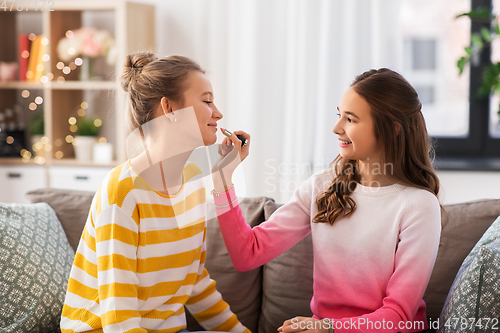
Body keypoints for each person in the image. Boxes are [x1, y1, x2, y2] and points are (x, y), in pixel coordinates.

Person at [211, 68, 442, 333]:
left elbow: (398, 315)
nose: (336, 128)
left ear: (392, 128)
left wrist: (328, 328)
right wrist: (222, 179)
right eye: (339, 115)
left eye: (351, 119)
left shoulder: (418, 206)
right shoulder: (322, 186)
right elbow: (246, 254)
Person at [60, 53, 251, 333]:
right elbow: (119, 318)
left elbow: (194, 282)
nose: (218, 113)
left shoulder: (193, 187)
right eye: (207, 101)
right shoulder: (122, 192)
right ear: (170, 109)